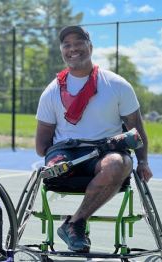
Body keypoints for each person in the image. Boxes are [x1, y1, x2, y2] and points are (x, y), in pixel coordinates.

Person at [35, 25, 153, 253]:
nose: (73, 48)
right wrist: (55, 158)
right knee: (55, 163)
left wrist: (144, 162)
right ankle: (59, 168)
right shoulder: (51, 91)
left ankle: (75, 222)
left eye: (79, 42)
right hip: (66, 153)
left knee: (118, 163)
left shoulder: (117, 85)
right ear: (61, 50)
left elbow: (136, 128)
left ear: (90, 46)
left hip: (105, 153)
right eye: (66, 44)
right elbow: (41, 146)